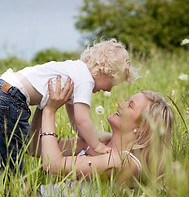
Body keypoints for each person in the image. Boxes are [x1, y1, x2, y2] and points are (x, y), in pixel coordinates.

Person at [0, 39, 138, 175]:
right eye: (111, 83)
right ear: (103, 71)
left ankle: (5, 182)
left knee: (9, 143)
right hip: (12, 94)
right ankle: (11, 185)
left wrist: (84, 138)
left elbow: (74, 119)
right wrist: (96, 145)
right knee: (13, 148)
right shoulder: (86, 80)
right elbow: (82, 120)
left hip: (3, 88)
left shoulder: (75, 72)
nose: (109, 90)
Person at [39, 76, 174, 185]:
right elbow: (34, 148)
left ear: (142, 126)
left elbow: (53, 165)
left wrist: (49, 111)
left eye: (130, 106)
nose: (120, 104)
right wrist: (42, 101)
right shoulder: (98, 143)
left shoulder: (124, 162)